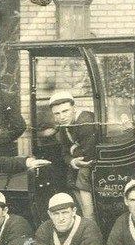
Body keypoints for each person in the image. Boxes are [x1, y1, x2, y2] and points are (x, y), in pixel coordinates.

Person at [41, 91, 99, 221]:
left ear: (74, 108)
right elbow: (64, 153)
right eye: (57, 113)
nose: (61, 117)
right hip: (78, 170)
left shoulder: (85, 122)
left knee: (82, 183)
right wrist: (73, 160)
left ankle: (90, 221)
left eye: (65, 111)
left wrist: (73, 152)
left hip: (93, 167)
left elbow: (87, 154)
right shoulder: (64, 126)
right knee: (71, 181)